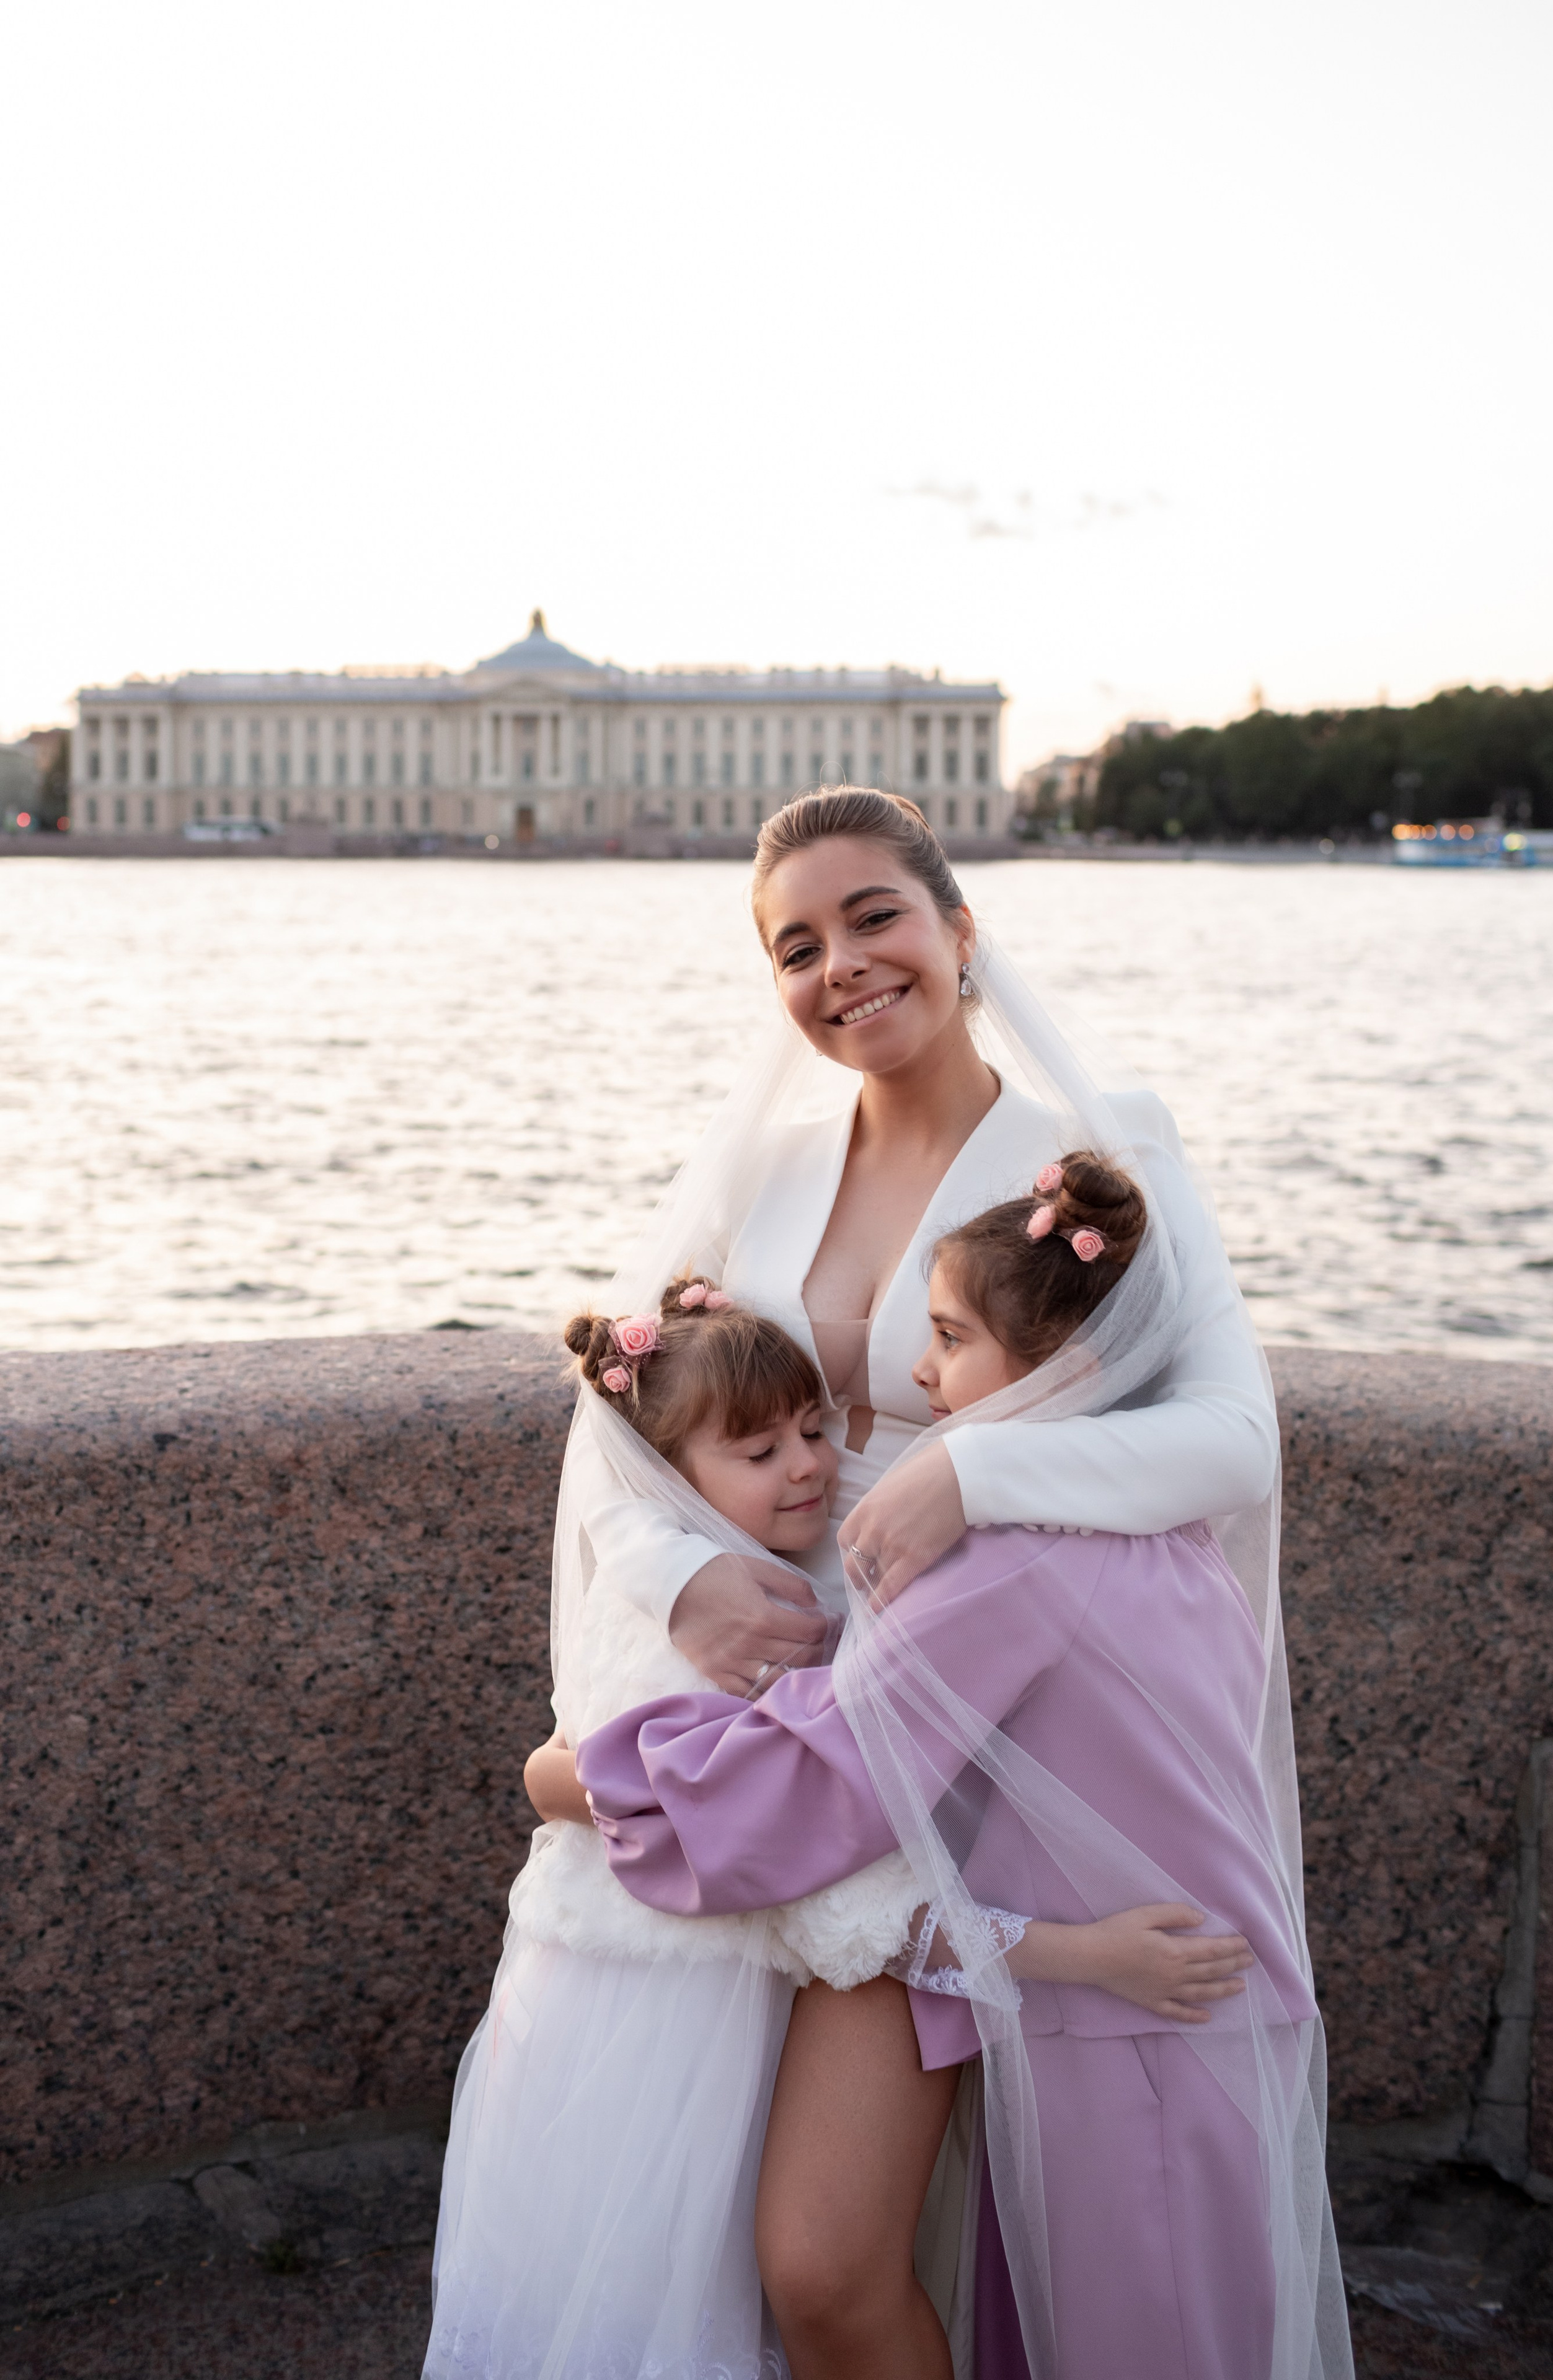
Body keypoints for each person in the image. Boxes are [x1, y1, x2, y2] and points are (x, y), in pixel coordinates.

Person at [551, 788, 1293, 2369]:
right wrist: (683, 1580)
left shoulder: (1100, 1150)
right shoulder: (755, 1171)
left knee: (853, 2247)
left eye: (874, 916)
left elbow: (1232, 1439)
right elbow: (611, 1438)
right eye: (794, 946)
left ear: (960, 931)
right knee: (706, 2224)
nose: (841, 967)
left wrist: (974, 1468)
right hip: (764, 1696)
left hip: (981, 1715)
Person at [577, 1158, 1348, 2380]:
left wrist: (596, 1779)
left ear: (1056, 1373)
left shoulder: (1005, 1561)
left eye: (946, 1338)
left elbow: (825, 1774)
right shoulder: (1153, 1517)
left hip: (1125, 2035)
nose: (918, 1375)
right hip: (1199, 2000)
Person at [426, 1280, 927, 2380]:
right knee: (660, 2265)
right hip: (668, 1991)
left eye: (813, 1430)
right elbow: (730, 1818)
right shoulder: (755, 1625)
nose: (809, 1465)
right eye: (759, 1451)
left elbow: (570, 1770)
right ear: (669, 1476)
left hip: (591, 1965)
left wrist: (557, 1781)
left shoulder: (665, 1594)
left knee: (586, 2258)